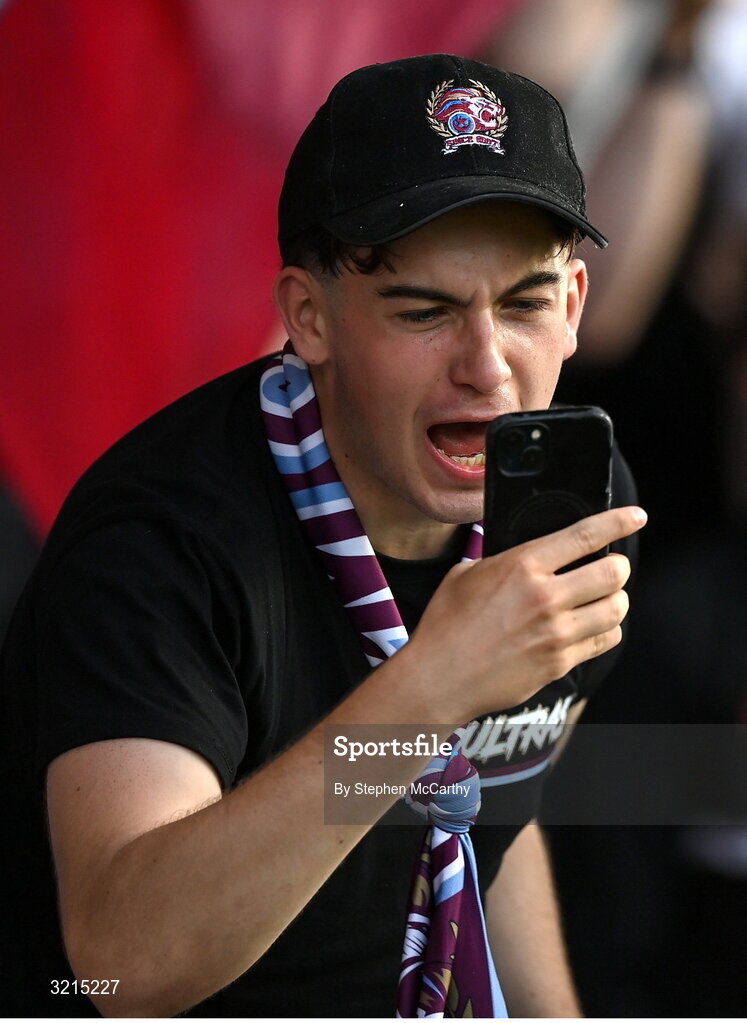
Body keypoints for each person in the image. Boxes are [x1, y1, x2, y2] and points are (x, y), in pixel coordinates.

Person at [0, 54, 645, 1018]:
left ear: (575, 306)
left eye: (522, 304)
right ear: (309, 316)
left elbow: (491, 817)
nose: (487, 368)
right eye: (423, 311)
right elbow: (123, 965)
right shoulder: (160, 539)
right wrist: (426, 692)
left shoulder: (571, 509)